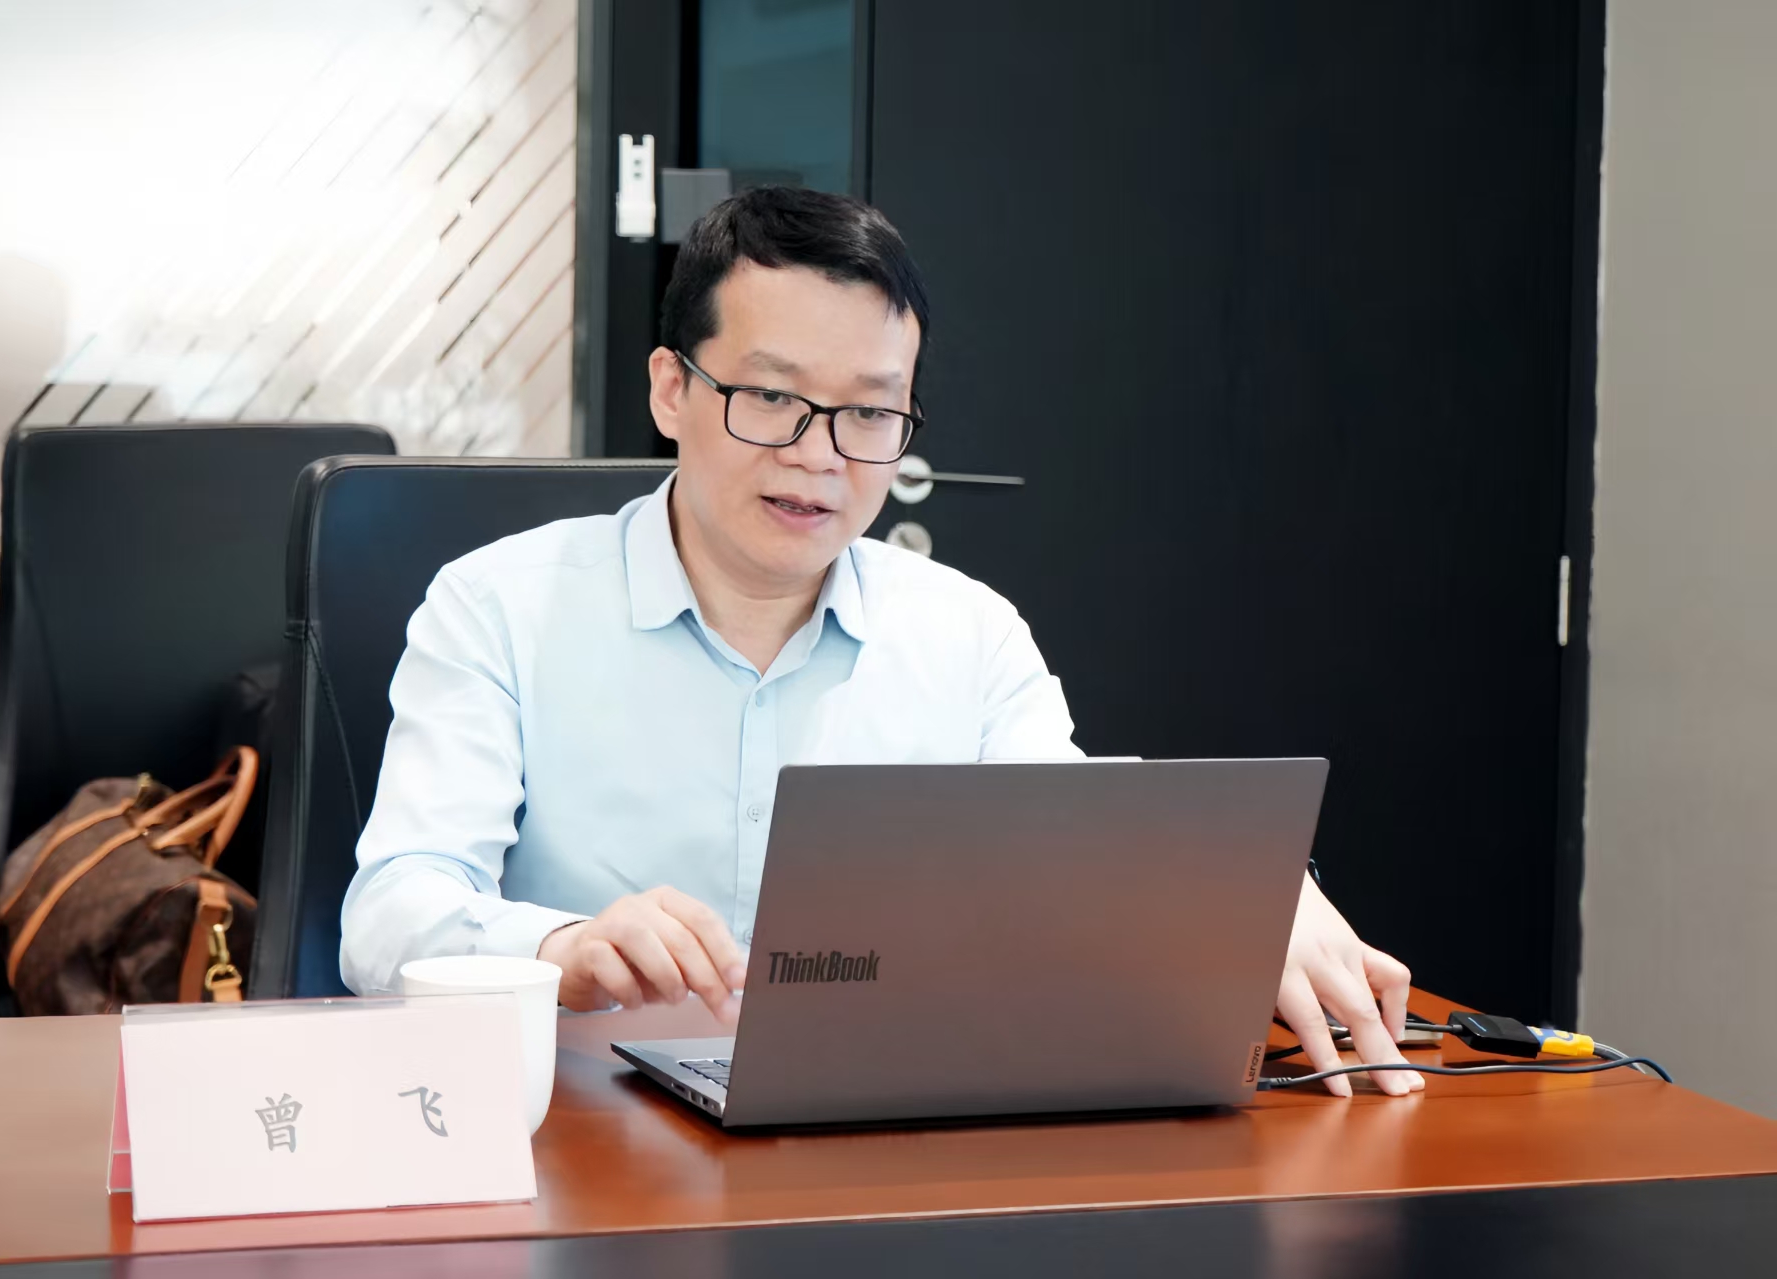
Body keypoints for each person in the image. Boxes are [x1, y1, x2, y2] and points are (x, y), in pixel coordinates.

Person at [341, 186, 1422, 1098]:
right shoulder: (498, 606)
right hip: (590, 1145)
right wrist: (561, 949)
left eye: (869, 413)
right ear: (672, 389)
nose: (820, 455)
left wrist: (1247, 894)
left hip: (886, 1143)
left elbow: (1083, 846)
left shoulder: (968, 634)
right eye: (773, 396)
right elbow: (389, 917)